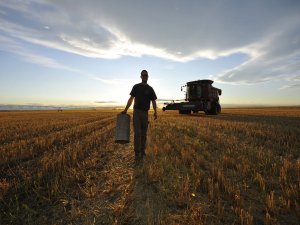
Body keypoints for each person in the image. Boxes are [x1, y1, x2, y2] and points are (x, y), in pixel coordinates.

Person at [122, 70, 157, 161]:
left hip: (145, 113)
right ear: (140, 76)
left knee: (143, 134)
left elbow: (153, 101)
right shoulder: (136, 87)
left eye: (146, 75)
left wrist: (155, 112)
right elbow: (131, 98)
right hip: (136, 112)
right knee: (137, 133)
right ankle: (137, 153)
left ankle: (143, 152)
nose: (145, 76)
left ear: (148, 77)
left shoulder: (150, 89)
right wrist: (125, 110)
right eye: (143, 75)